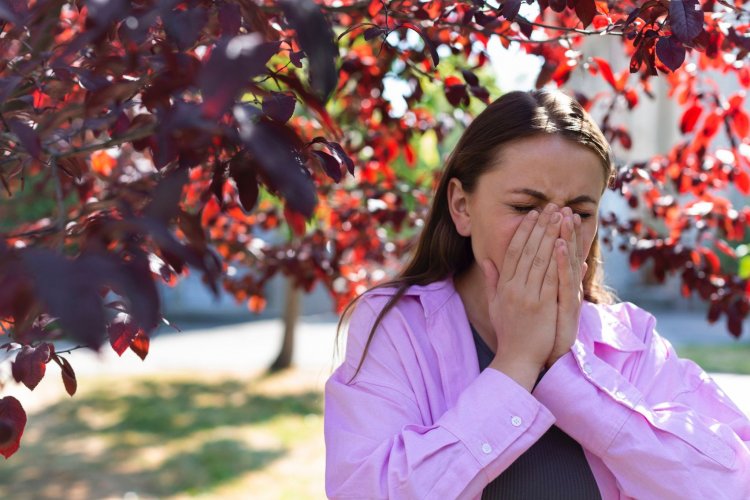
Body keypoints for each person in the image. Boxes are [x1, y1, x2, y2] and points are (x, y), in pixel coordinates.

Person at [323, 90, 750, 499]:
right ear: (461, 206)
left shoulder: (630, 341)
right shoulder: (396, 326)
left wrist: (571, 378)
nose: (558, 233)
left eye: (581, 213)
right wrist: (516, 365)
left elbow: (732, 484)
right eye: (525, 208)